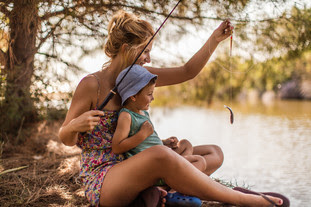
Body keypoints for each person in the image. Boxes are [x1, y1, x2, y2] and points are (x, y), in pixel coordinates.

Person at [59, 10, 288, 207]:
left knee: (213, 153)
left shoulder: (141, 77)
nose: (148, 59)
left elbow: (187, 71)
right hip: (105, 178)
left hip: (137, 159)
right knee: (160, 155)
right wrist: (75, 125)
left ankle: (157, 196)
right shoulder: (92, 85)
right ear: (127, 48)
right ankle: (240, 199)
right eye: (144, 51)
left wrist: (214, 39)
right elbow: (65, 137)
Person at [112, 64, 206, 172]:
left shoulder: (143, 112)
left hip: (161, 157)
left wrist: (164, 142)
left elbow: (148, 142)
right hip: (152, 166)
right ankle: (175, 185)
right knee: (200, 161)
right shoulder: (126, 116)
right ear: (133, 96)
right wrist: (142, 134)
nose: (153, 98)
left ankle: (177, 175)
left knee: (186, 144)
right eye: (149, 94)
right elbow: (117, 147)